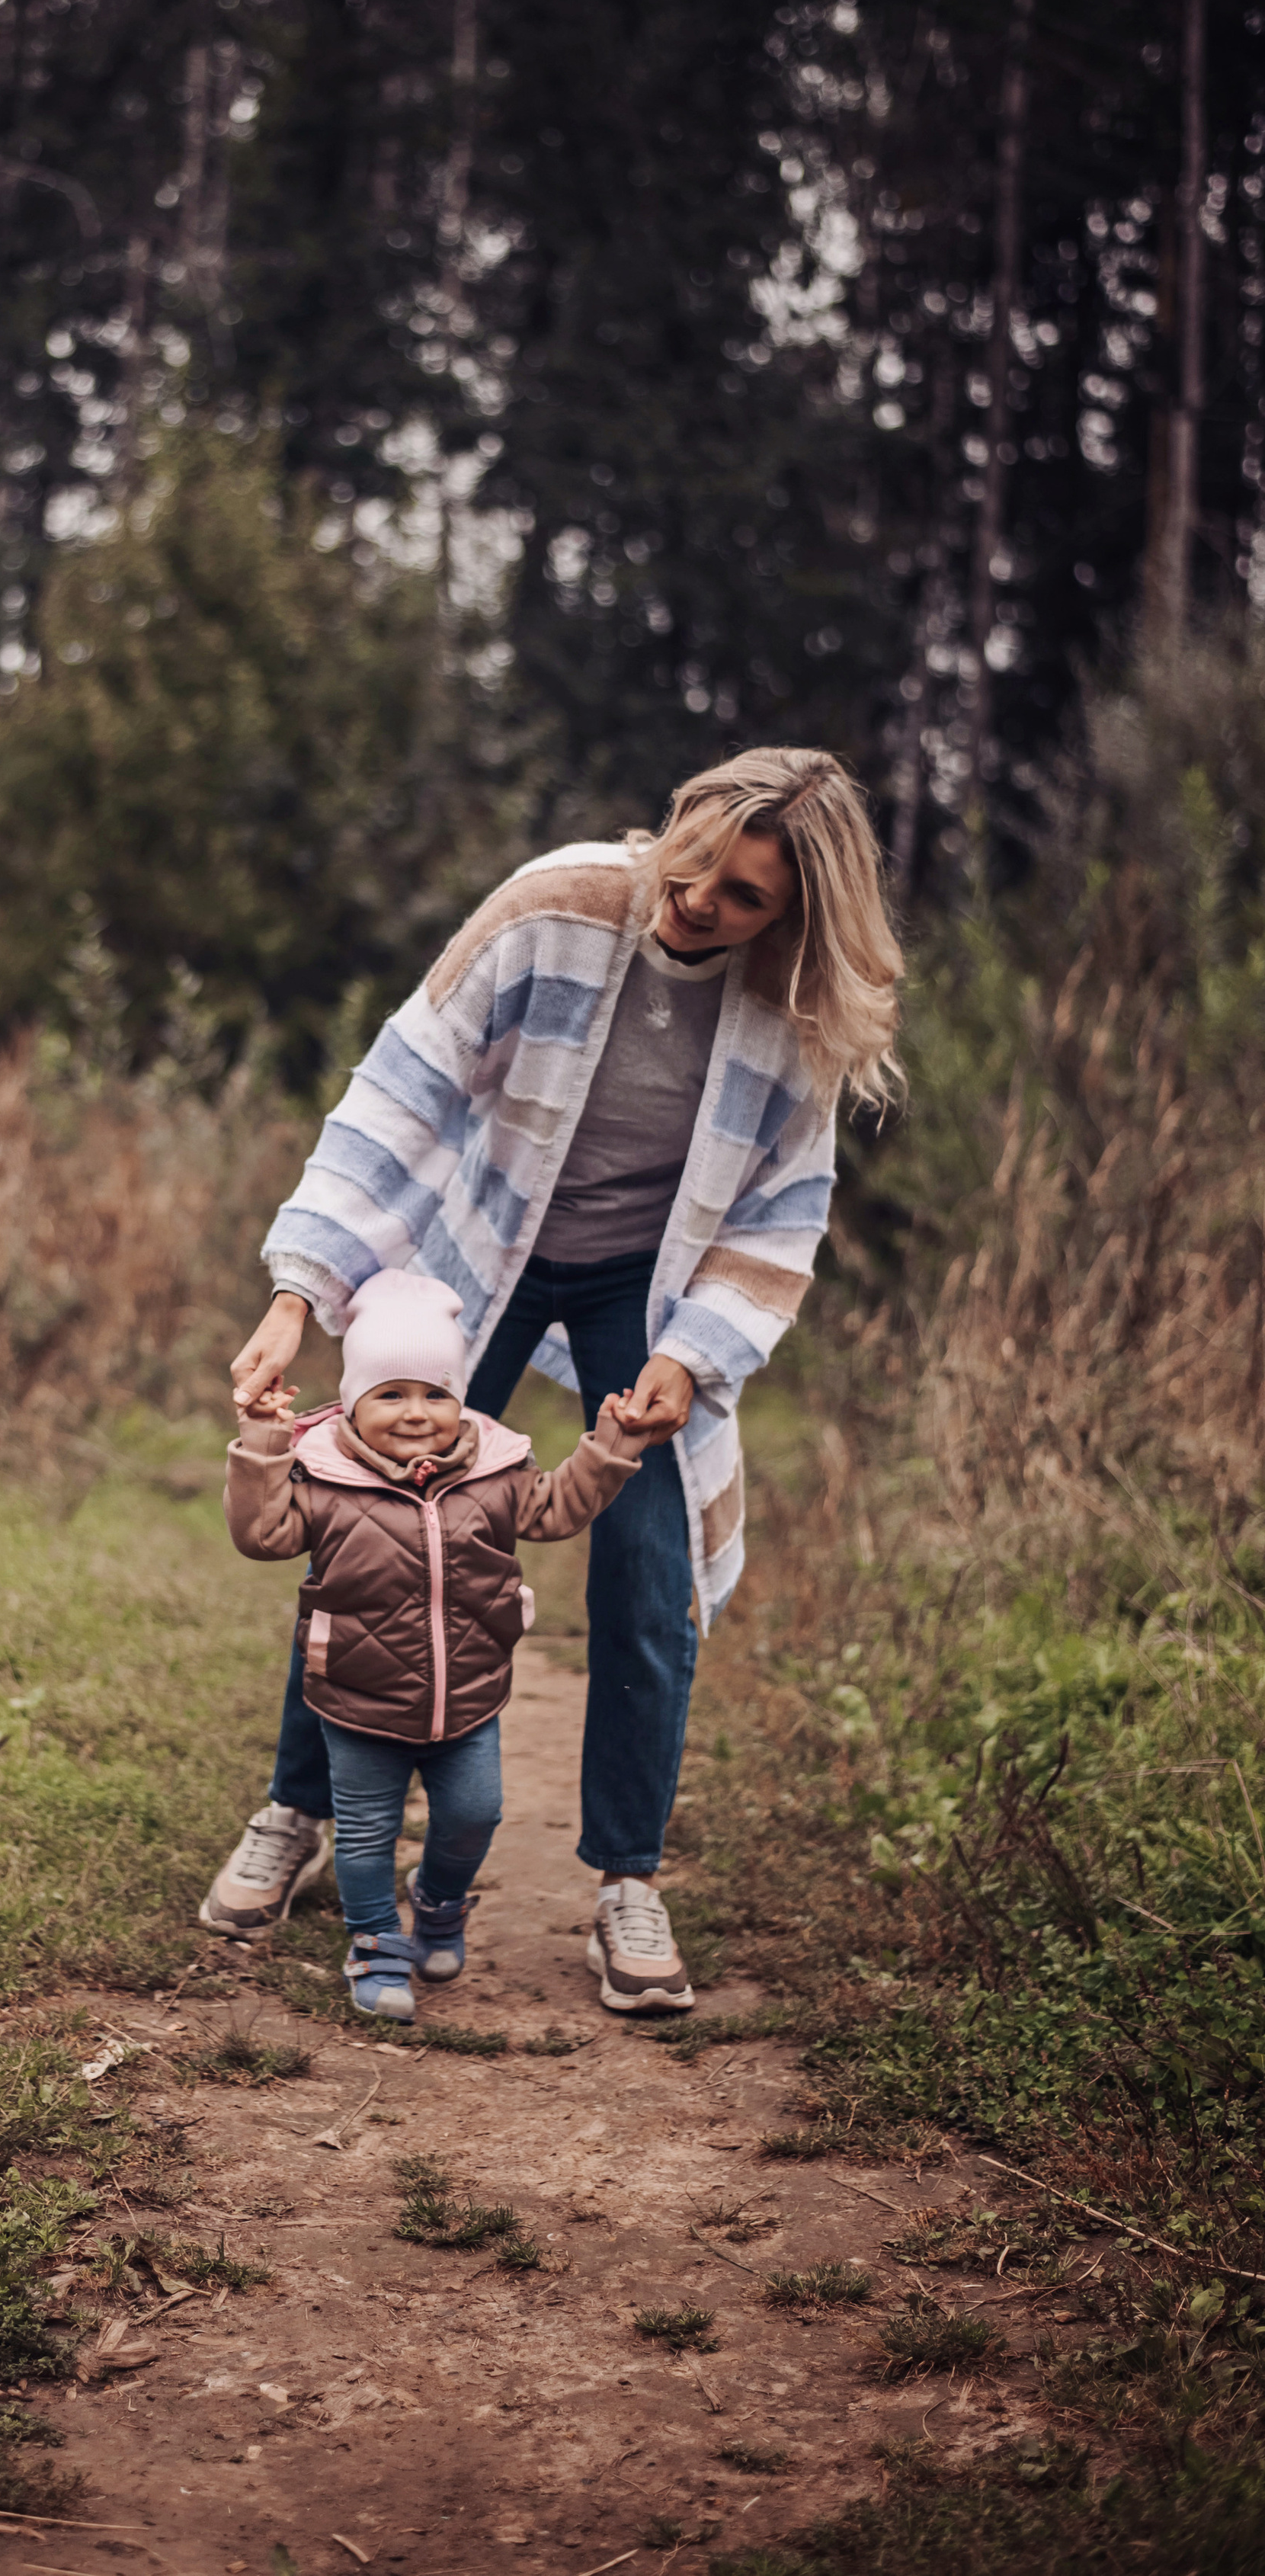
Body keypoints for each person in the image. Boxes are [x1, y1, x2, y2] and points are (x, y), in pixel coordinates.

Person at [201, 746, 903, 2015]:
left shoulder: (794, 1013)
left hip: (653, 1290)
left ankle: (628, 1877)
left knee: (647, 1571)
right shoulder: (552, 905)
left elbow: (782, 1213)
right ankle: (300, 1805)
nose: (699, 899)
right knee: (369, 1522)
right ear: (678, 815)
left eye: (744, 897)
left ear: (791, 918)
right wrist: (300, 1284)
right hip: (493, 1251)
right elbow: (402, 1091)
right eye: (696, 861)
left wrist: (689, 1357)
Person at [223, 1265, 642, 2021]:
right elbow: (261, 1535)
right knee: (365, 1833)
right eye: (390, 1394)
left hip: (470, 1699)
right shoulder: (323, 1478)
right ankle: (376, 1944)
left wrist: (607, 1447)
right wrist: (262, 1446)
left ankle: (440, 1903)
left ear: (459, 1400)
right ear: (353, 1401)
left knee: (475, 1813)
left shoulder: (495, 1471)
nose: (415, 1413)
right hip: (355, 1698)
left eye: (434, 1394)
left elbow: (557, 1510)